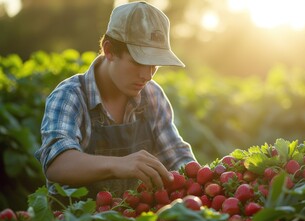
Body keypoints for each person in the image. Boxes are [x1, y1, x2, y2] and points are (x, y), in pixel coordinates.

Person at [35, 1, 197, 201]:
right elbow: (57, 164)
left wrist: (203, 181)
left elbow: (175, 153)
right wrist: (120, 164)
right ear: (109, 50)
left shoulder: (152, 95)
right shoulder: (70, 96)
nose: (148, 75)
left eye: (154, 64)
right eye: (139, 62)